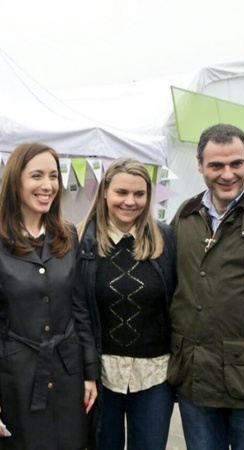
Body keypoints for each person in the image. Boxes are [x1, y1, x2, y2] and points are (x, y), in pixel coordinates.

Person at [0, 142, 98, 450]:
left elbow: (79, 309)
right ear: (16, 181)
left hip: (67, 372)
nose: (48, 185)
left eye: (53, 176)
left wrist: (89, 373)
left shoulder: (68, 234)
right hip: (15, 377)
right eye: (37, 175)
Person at [168, 123, 244, 449]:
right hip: (197, 380)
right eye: (216, 165)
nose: (227, 174)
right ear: (199, 164)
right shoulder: (185, 217)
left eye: (236, 164)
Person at [77, 157, 176, 450]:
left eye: (139, 194)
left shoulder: (166, 238)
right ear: (105, 192)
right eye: (121, 192)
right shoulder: (81, 239)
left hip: (155, 373)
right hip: (101, 373)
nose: (130, 202)